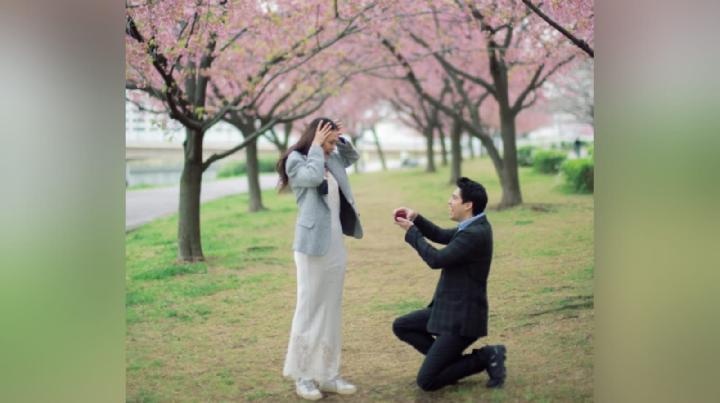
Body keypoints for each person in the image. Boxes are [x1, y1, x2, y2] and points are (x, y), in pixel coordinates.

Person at [392, 177, 506, 391]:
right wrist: (416, 218)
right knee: (402, 325)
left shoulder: (475, 234)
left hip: (462, 319)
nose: (449, 201)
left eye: (454, 198)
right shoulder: (473, 226)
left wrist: (412, 233)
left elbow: (436, 260)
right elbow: (440, 235)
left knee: (427, 381)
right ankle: (451, 366)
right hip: (449, 310)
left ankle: (484, 357)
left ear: (468, 205)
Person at [276, 117, 363, 400]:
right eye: (328, 142)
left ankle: (328, 374)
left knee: (331, 308)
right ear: (315, 137)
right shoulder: (297, 161)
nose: (331, 148)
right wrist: (316, 146)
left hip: (335, 243)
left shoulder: (332, 157)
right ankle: (303, 376)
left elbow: (352, 157)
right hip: (311, 246)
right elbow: (313, 178)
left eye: (333, 142)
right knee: (309, 308)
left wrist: (340, 139)